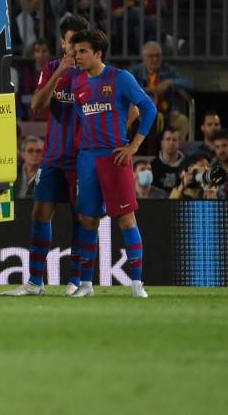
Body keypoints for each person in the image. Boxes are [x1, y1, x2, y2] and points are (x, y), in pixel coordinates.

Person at [4, 15, 90, 296]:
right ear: (63, 42)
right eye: (71, 42)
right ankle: (34, 282)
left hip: (82, 159)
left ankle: (76, 281)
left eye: (80, 42)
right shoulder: (52, 68)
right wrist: (59, 72)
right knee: (39, 213)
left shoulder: (95, 72)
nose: (75, 48)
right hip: (53, 157)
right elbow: (38, 105)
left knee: (81, 218)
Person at [69, 29, 157, 298]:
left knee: (127, 220)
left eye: (83, 51)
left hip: (114, 157)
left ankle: (137, 284)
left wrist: (133, 145)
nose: (77, 56)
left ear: (98, 53)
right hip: (87, 159)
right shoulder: (78, 83)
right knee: (88, 220)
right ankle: (86, 285)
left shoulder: (120, 78)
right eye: (76, 51)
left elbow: (148, 108)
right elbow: (83, 118)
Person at [129, 41, 192, 141]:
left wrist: (170, 82)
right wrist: (147, 91)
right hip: (140, 113)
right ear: (143, 57)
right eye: (151, 56)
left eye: (158, 56)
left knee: (182, 121)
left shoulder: (168, 70)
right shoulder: (135, 71)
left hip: (166, 112)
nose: (155, 59)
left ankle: (173, 148)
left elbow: (188, 84)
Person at [152, 128, 185, 192]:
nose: (171, 143)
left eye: (174, 140)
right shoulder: (152, 165)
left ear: (179, 143)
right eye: (168, 139)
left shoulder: (187, 165)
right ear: (162, 143)